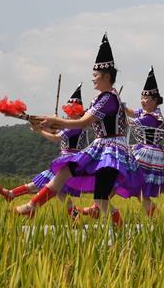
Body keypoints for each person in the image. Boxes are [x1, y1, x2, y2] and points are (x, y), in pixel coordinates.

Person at [15, 34, 139, 225]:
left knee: (100, 199)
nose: (93, 79)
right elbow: (77, 122)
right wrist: (47, 123)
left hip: (110, 150)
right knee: (65, 173)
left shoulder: (107, 98)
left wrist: (55, 120)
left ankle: (122, 233)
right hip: (101, 147)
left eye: (96, 76)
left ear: (107, 76)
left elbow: (82, 122)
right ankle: (32, 206)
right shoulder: (104, 98)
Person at [0, 83, 86, 212]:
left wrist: (40, 131)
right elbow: (55, 132)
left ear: (78, 113)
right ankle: (74, 216)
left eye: (72, 113)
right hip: (66, 160)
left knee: (46, 181)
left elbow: (56, 137)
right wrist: (44, 126)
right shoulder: (72, 126)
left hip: (69, 161)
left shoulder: (75, 127)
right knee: (59, 191)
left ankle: (13, 195)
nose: (69, 115)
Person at [124, 67, 164, 217]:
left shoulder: (152, 117)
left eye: (146, 99)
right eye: (141, 98)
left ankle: (100, 205)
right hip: (143, 150)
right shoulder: (145, 112)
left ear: (155, 101)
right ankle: (156, 216)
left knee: (126, 176)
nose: (142, 101)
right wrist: (118, 103)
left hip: (148, 154)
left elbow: (130, 121)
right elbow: (130, 111)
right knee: (138, 190)